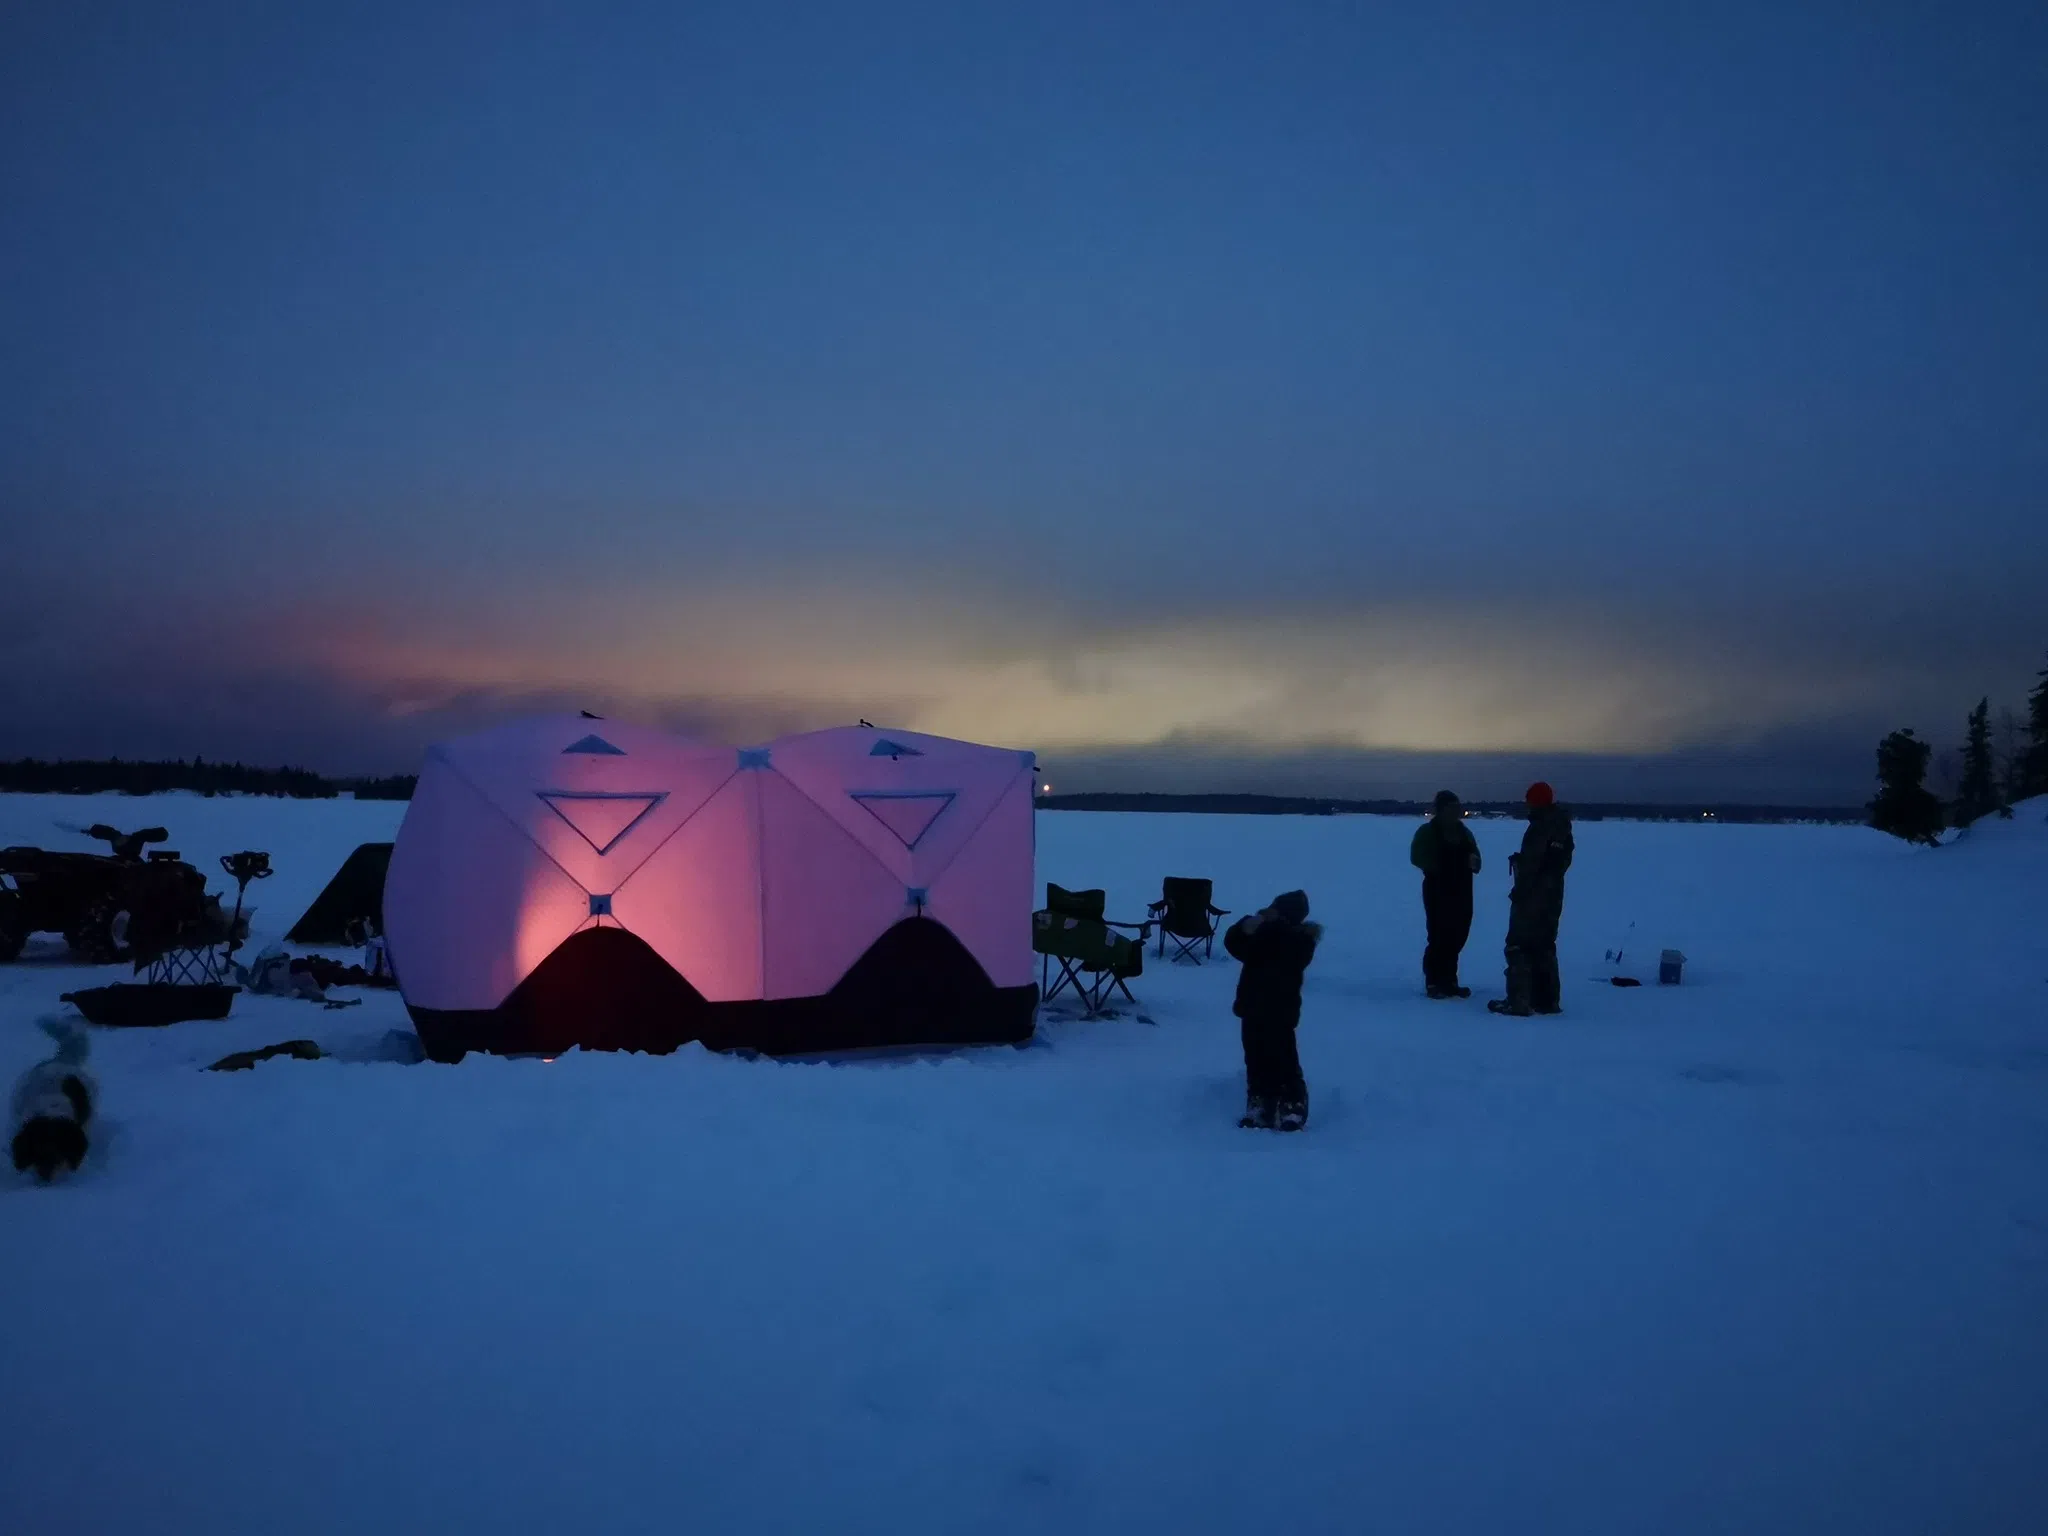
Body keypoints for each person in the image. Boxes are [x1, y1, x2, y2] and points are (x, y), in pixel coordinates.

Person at [1223, 890, 1321, 1131]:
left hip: (1281, 1011)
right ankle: (1259, 1101)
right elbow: (1234, 943)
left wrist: (1268, 926)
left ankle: (1293, 1101)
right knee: (1255, 1058)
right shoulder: (1261, 937)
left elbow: (1290, 952)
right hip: (1251, 1007)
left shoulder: (1300, 940)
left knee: (1284, 1058)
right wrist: (1246, 926)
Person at [1489, 782, 1574, 1017]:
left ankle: (1518, 1001)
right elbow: (1559, 862)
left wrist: (1521, 889)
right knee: (1544, 945)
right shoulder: (1562, 825)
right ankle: (1547, 1000)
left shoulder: (1541, 827)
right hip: (1553, 894)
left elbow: (1534, 863)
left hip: (1534, 895)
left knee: (1518, 944)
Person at [1409, 790, 1481, 998]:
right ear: (1440, 810)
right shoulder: (1427, 832)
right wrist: (1441, 866)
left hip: (1463, 890)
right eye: (1451, 808)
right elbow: (1417, 857)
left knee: (1458, 935)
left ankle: (1449, 980)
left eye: (1457, 808)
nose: (1455, 812)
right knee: (1439, 934)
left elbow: (1477, 858)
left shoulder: (1465, 833)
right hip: (1438, 888)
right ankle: (1434, 981)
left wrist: (1474, 863)